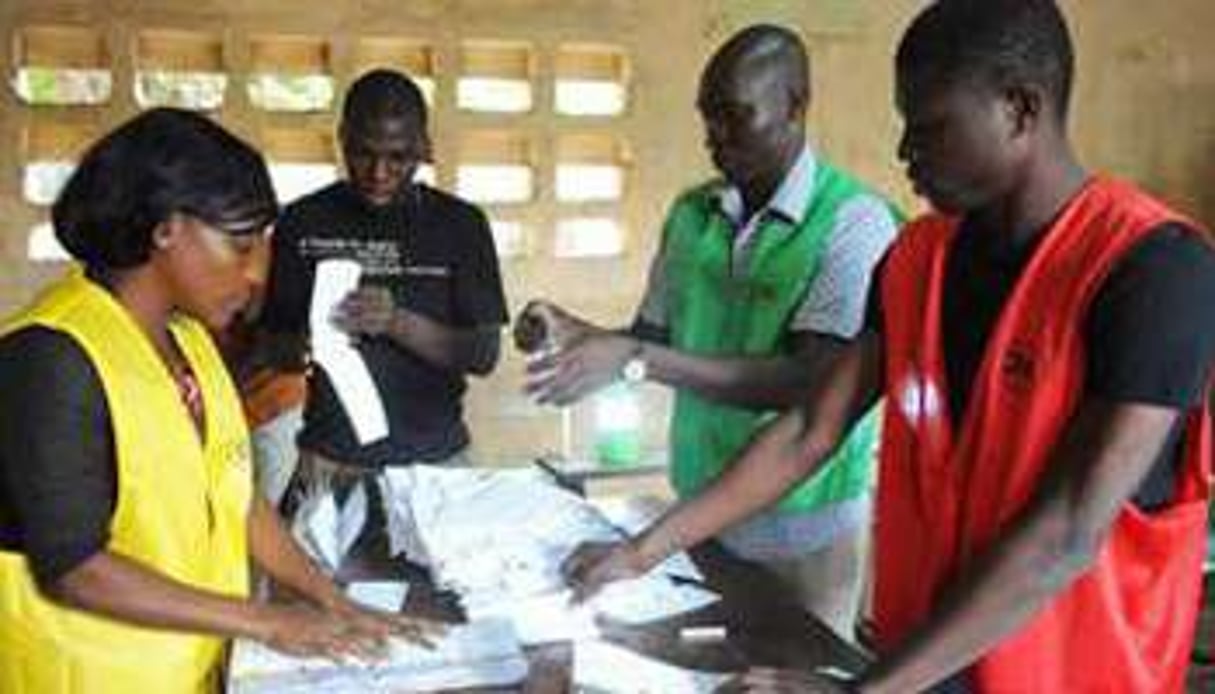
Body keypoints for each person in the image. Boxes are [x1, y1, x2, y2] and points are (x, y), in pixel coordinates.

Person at [564, 1, 1215, 691]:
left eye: (929, 127)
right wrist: (640, 552)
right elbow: (810, 430)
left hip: (1069, 672)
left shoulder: (1150, 268)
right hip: (925, 660)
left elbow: (1067, 529)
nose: (905, 150)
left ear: (1020, 109)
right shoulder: (915, 259)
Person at [0, 108, 437, 693]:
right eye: (240, 246)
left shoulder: (189, 341)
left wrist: (329, 599)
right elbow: (77, 570)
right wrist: (268, 622)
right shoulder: (50, 356)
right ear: (165, 228)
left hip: (188, 672)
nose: (259, 273)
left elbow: (236, 495)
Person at [527, 24, 900, 639]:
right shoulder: (693, 214)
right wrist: (584, 337)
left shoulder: (855, 223)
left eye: (735, 116)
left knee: (793, 666)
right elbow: (654, 339)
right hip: (699, 509)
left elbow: (804, 385)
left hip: (802, 527)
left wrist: (633, 357)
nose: (716, 137)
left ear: (796, 104)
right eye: (708, 117)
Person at [255, 69, 508, 540]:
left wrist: (395, 322)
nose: (379, 172)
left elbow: (483, 354)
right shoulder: (302, 222)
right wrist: (311, 340)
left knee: (441, 606)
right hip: (329, 463)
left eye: (398, 157)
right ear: (342, 139)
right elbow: (276, 349)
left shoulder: (460, 226)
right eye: (363, 153)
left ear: (424, 147)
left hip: (436, 468)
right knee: (313, 602)